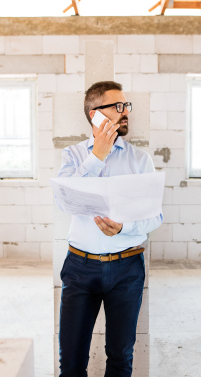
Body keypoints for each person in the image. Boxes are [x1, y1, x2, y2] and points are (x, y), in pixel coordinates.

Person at [55, 81, 163, 377]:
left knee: (120, 357)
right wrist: (96, 157)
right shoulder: (73, 157)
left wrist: (124, 228)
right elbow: (65, 203)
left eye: (126, 105)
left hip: (127, 269)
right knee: (72, 361)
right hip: (80, 268)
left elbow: (156, 217)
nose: (125, 112)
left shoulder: (140, 160)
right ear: (94, 114)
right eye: (117, 107)